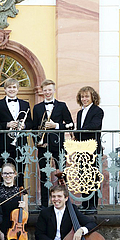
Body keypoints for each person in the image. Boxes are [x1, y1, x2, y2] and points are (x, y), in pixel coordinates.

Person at [33, 80, 74, 209]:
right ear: (42, 91)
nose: (47, 92)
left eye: (50, 90)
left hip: (59, 145)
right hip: (43, 145)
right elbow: (34, 128)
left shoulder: (62, 105)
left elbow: (70, 124)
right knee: (44, 175)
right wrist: (38, 142)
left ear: (54, 90)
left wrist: (55, 125)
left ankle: (65, 202)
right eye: (45, 90)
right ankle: (44, 204)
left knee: (62, 174)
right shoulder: (37, 107)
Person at [0, 78, 33, 185]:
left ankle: (20, 198)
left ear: (18, 89)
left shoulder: (25, 104)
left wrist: (24, 125)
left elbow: (31, 123)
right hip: (4, 144)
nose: (12, 89)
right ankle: (4, 198)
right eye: (9, 87)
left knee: (20, 173)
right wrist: (7, 125)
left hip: (21, 143)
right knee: (4, 172)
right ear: (5, 89)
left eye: (14, 87)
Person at [75, 86, 104, 213]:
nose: (84, 99)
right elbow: (80, 129)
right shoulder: (80, 112)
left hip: (92, 147)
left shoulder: (98, 110)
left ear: (93, 97)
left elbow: (94, 125)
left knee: (93, 176)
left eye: (87, 96)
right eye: (82, 97)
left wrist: (78, 131)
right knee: (83, 175)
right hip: (82, 147)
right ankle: (85, 203)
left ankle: (92, 205)